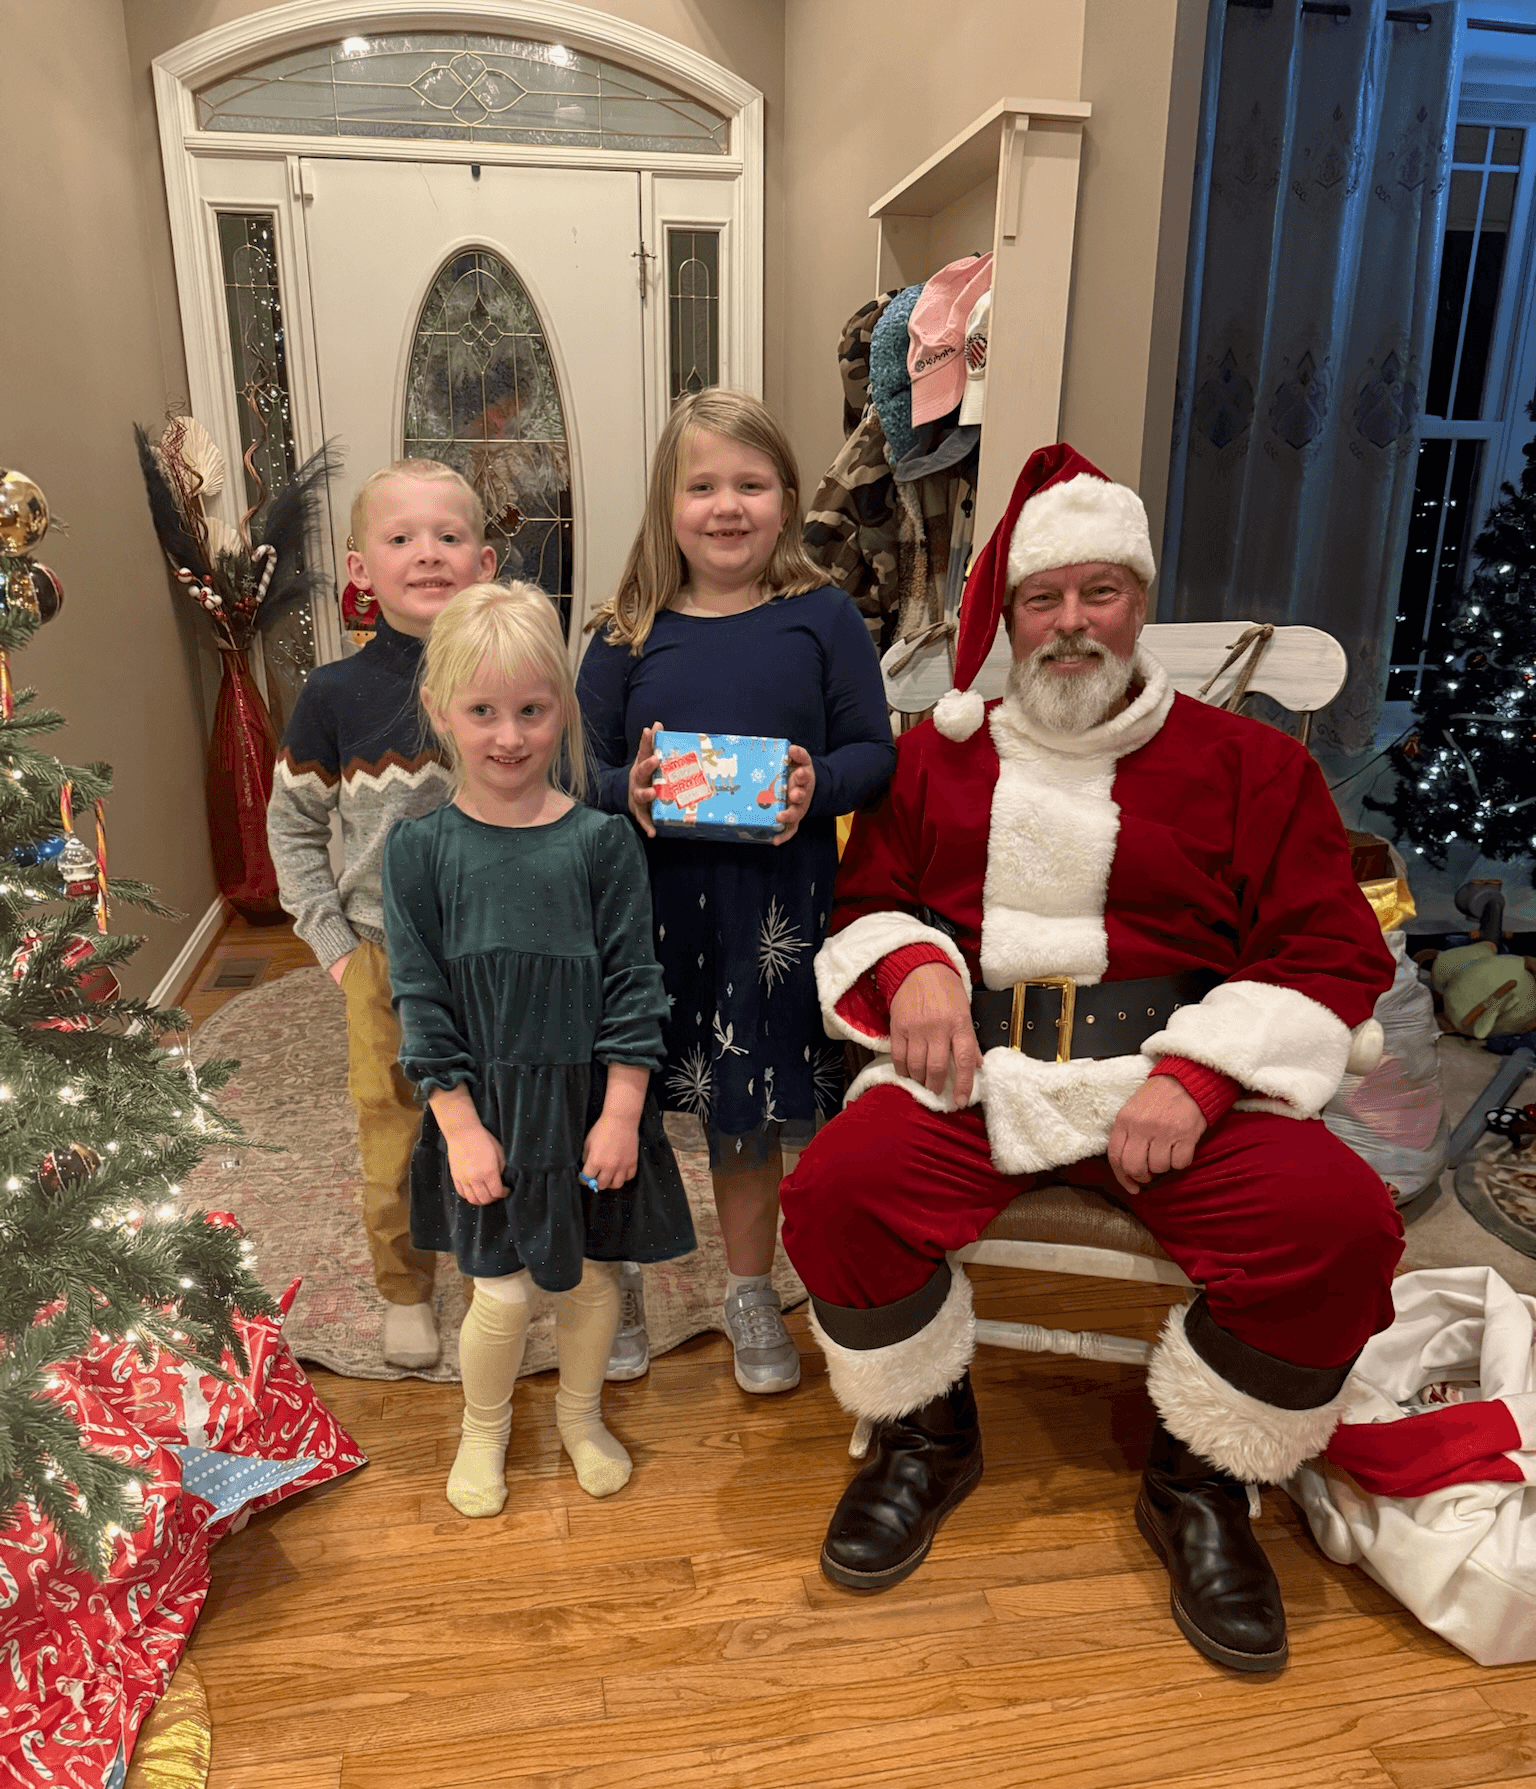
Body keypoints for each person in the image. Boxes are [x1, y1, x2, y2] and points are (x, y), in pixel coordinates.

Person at [779, 442, 1403, 1674]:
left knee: (1339, 1226)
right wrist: (914, 971)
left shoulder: (1254, 768)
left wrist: (1203, 1072)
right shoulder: (938, 760)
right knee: (837, 1191)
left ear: (1141, 602)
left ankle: (1205, 1479)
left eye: (1098, 593)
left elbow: (1333, 949)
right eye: (1041, 600)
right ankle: (925, 1431)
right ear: (1010, 618)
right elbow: (868, 903)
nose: (1070, 625)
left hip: (1176, 1081)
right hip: (982, 1071)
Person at [578, 390, 895, 1394]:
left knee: (746, 1111)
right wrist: (617, 788)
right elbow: (564, 767)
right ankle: (616, 1279)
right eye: (702, 485)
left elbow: (873, 752)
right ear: (667, 505)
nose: (727, 506)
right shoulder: (625, 630)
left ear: (788, 498)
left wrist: (819, 785)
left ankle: (750, 1288)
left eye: (750, 485)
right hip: (642, 915)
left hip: (772, 911)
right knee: (617, 1107)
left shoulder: (823, 617)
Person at [381, 581, 695, 1516]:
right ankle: (485, 1429)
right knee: (504, 1294)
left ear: (563, 709)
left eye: (531, 710)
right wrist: (461, 1127)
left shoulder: (602, 843)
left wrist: (624, 1111)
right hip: (488, 1111)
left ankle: (580, 1412)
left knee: (596, 1280)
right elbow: (421, 999)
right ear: (441, 711)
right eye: (482, 713)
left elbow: (638, 982)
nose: (508, 737)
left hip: (589, 1107)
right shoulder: (420, 851)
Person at [267, 458, 496, 1370]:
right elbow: (293, 828)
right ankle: (405, 1285)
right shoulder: (333, 696)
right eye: (401, 538)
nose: (427, 554)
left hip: (498, 953)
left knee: (499, 1116)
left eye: (448, 536)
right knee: (394, 1127)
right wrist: (329, 941)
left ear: (482, 561)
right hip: (382, 955)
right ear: (362, 568)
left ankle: (493, 1266)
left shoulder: (509, 672)